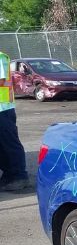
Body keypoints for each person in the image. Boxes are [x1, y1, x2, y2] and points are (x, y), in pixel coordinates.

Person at [0, 50, 28, 191]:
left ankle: (19, 176)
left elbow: (1, 81)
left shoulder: (0, 57)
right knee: (2, 146)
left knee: (9, 144)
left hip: (3, 108)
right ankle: (8, 175)